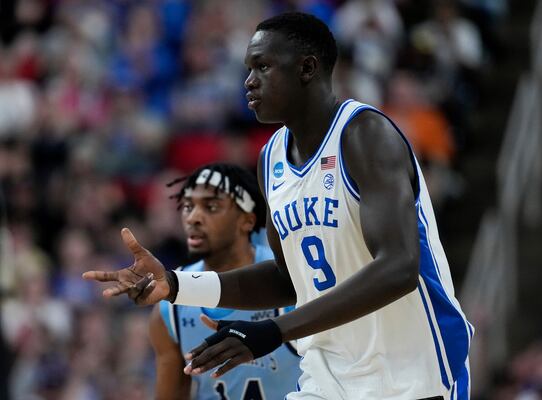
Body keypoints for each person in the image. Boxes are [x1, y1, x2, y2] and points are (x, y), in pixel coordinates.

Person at [84, 12, 473, 399]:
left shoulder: (364, 135)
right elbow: (289, 280)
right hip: (329, 376)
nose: (249, 81)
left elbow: (399, 267)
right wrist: (177, 284)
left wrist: (276, 330)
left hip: (414, 375)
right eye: (248, 69)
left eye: (263, 66)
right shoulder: (271, 160)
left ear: (307, 68)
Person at [148, 163, 301, 399]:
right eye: (188, 206)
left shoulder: (289, 275)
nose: (194, 218)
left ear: (247, 221)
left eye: (211, 206)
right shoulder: (169, 307)